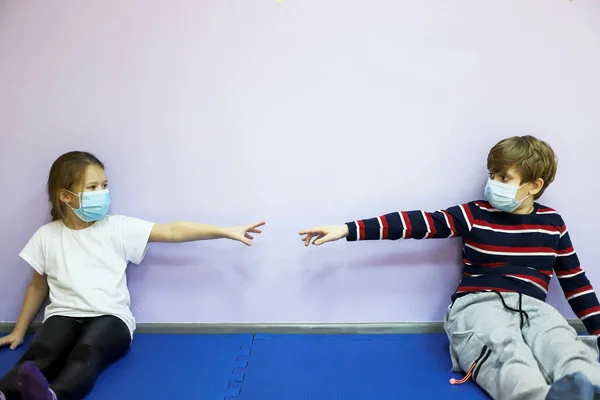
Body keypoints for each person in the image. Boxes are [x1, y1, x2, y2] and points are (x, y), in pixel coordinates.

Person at [299, 135, 600, 400]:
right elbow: (416, 223)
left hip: (535, 308)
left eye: (505, 178)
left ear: (534, 186)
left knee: (563, 343)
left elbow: (576, 283)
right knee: (506, 350)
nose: (494, 184)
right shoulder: (474, 214)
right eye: (492, 174)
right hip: (478, 304)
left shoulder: (552, 224)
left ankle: (588, 387)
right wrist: (347, 229)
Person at [0, 151, 265, 400]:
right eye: (92, 188)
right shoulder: (47, 236)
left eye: (104, 185)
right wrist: (19, 331)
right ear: (66, 196)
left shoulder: (117, 228)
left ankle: (54, 395)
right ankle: (6, 391)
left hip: (111, 317)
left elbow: (172, 231)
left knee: (86, 354)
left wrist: (224, 230)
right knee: (41, 352)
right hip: (63, 315)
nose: (102, 193)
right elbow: (37, 286)